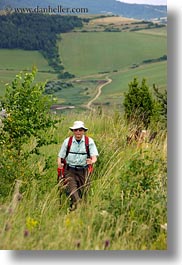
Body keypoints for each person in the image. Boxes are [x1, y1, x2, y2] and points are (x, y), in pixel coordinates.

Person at [57, 121, 99, 210]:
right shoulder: (67, 141)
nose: (78, 132)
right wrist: (59, 165)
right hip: (69, 171)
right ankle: (78, 208)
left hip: (84, 171)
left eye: (80, 130)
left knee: (84, 194)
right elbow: (60, 156)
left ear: (83, 131)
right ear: (73, 131)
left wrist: (91, 161)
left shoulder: (89, 141)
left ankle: (74, 212)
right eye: (76, 130)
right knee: (73, 192)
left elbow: (94, 157)